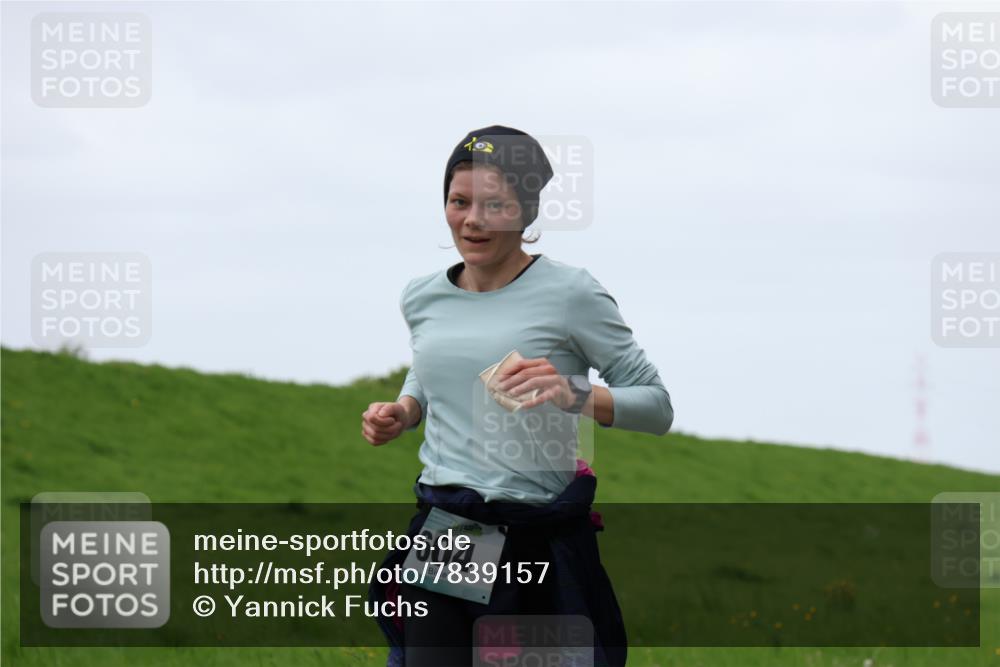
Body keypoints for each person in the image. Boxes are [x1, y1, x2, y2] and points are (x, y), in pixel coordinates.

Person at [362, 125, 673, 667]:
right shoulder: (423, 296)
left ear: (526, 211)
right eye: (459, 202)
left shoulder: (571, 293)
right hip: (452, 530)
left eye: (495, 205)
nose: (473, 220)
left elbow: (657, 406)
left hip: (534, 540)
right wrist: (406, 410)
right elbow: (432, 367)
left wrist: (573, 392)